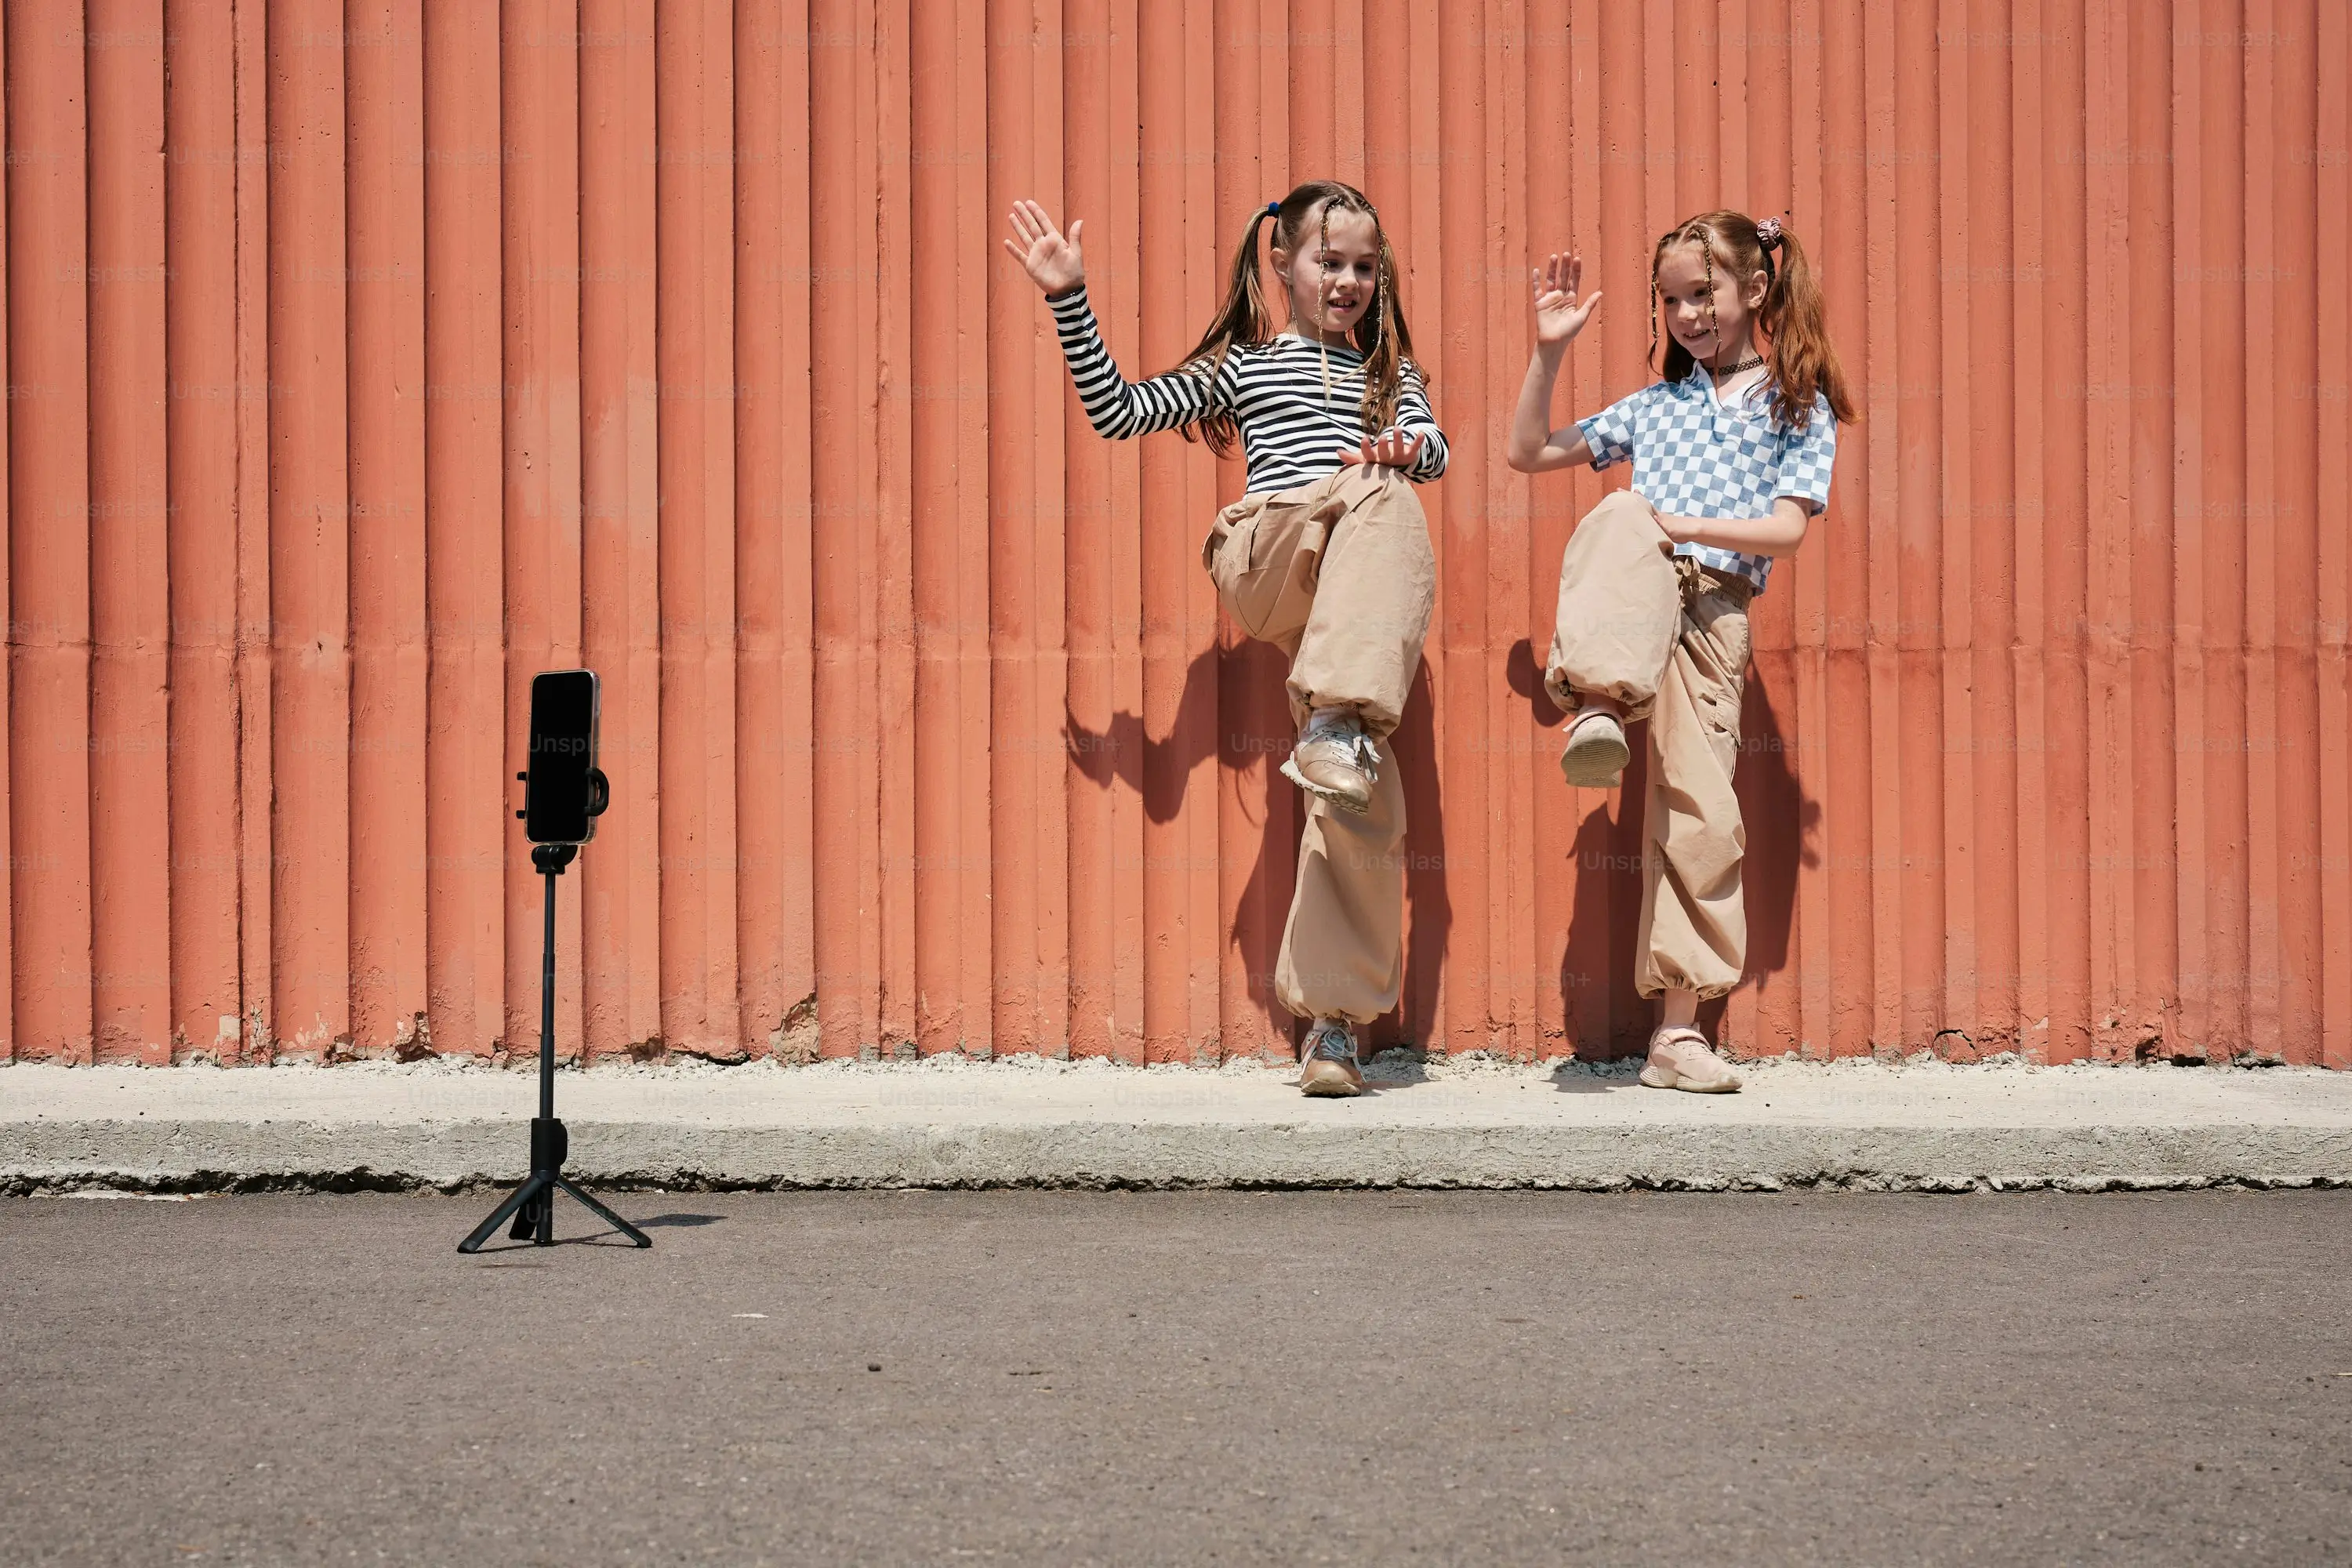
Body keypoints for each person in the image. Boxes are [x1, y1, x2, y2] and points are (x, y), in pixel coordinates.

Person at [1005, 181, 1447, 1098]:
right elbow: (1118, 411)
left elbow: (1436, 447)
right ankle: (1343, 715)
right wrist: (1068, 299)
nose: (1350, 281)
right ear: (1282, 263)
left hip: (1342, 600)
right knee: (1373, 493)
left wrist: (1404, 446)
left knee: (1360, 797)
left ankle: (1333, 1026)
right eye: (1331, 262)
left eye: (1367, 267)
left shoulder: (1389, 371)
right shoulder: (1246, 365)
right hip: (1269, 552)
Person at [1506, 212, 1854, 1092]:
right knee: (1618, 512)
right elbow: (1528, 452)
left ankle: (1675, 1035)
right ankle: (1598, 699)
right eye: (1671, 300)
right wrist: (1549, 351)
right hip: (1639, 595)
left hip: (1714, 612)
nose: (1688, 314)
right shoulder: (1653, 407)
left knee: (1699, 818)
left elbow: (1785, 531)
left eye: (1703, 293)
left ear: (1755, 289)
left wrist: (1688, 528)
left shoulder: (1796, 403)